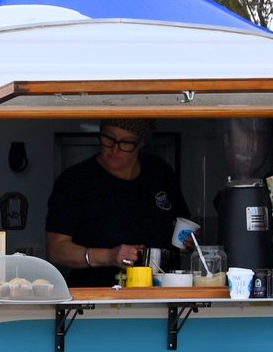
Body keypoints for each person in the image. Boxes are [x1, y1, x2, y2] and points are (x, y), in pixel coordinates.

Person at [43, 119, 192, 287]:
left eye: (126, 142)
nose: (115, 149)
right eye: (109, 139)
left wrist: (188, 241)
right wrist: (109, 256)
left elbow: (179, 224)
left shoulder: (159, 172)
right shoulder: (75, 181)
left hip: (161, 295)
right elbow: (56, 250)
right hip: (95, 298)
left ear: (140, 143)